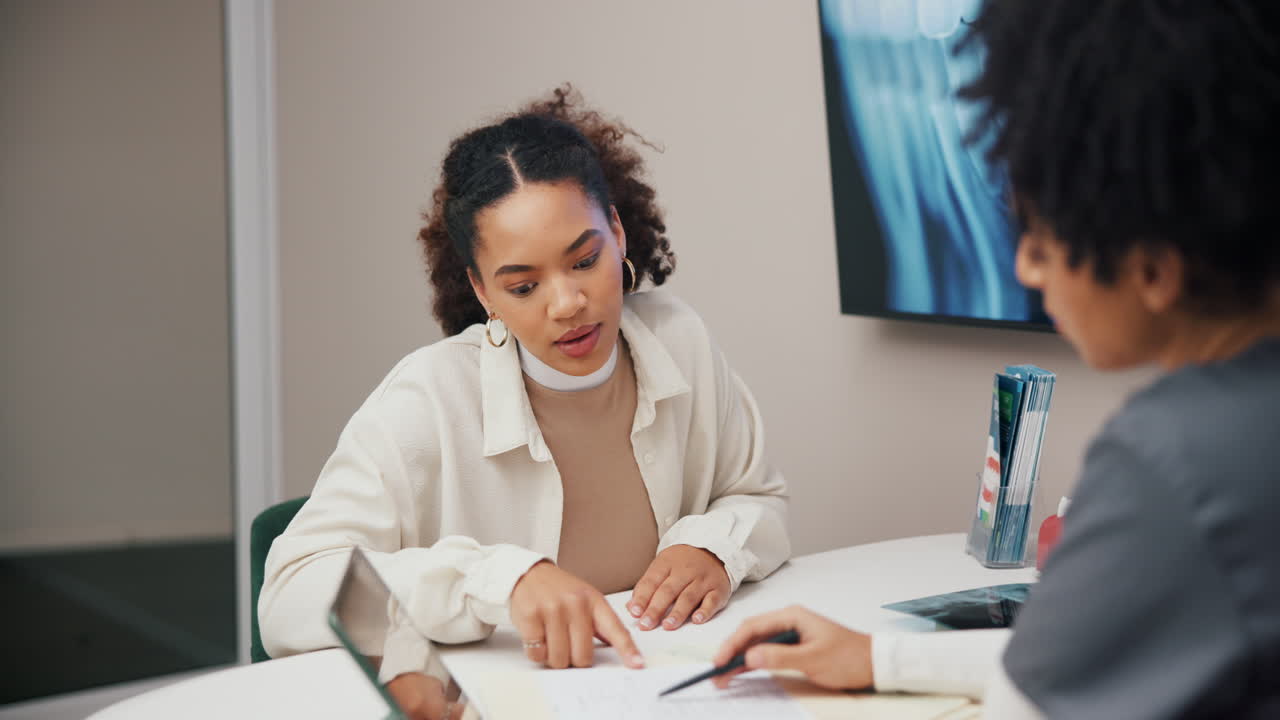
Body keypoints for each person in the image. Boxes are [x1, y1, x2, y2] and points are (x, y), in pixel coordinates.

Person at [714, 1, 1280, 718]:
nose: (1025, 269)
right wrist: (881, 657)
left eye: (1039, 240)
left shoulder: (1171, 462)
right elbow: (1083, 658)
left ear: (1154, 268)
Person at [258, 87, 791, 718]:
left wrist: (712, 546)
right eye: (524, 285)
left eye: (585, 260)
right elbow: (291, 594)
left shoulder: (681, 340)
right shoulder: (428, 397)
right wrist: (497, 580)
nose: (566, 304)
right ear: (482, 290)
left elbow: (758, 498)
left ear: (617, 233)